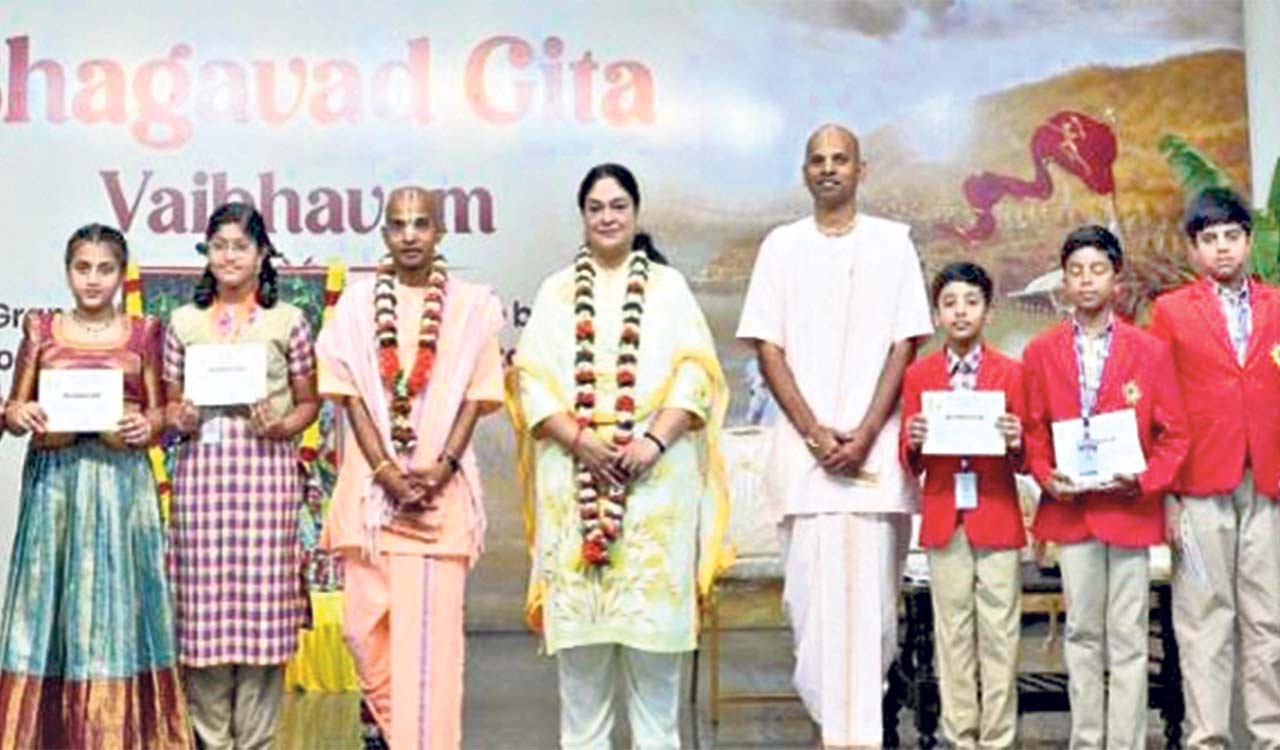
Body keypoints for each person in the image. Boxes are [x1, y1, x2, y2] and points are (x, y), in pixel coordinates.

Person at [512, 163, 729, 749]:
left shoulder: (668, 288)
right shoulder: (556, 292)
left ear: (636, 213)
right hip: (574, 485)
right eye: (596, 208)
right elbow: (530, 381)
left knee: (656, 681)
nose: (607, 217)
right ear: (582, 216)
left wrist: (652, 442)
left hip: (654, 487)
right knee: (582, 688)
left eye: (618, 206)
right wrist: (581, 440)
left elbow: (696, 375)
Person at [736, 123, 933, 749]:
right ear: (804, 173)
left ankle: (863, 740)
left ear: (860, 170)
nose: (828, 168)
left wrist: (867, 432)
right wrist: (816, 435)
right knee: (813, 621)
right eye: (817, 160)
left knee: (874, 623)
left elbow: (905, 343)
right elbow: (768, 347)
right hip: (806, 466)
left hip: (876, 467)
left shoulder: (893, 243)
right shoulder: (781, 246)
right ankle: (830, 737)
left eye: (840, 159)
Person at [315, 186, 505, 750]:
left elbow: (476, 395)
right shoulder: (357, 307)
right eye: (398, 225)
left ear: (439, 232)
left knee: (435, 652)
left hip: (440, 498)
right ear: (385, 234)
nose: (410, 235)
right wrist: (385, 471)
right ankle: (408, 737)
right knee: (361, 629)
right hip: (373, 499)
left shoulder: (471, 307)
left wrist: (442, 468)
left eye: (421, 223)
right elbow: (348, 394)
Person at [0, 224, 190, 748]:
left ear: (121, 273)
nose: (93, 279)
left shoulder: (144, 332)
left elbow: (162, 414)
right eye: (82, 267)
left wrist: (148, 425)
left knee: (120, 608)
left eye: (105, 269)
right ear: (68, 271)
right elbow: (12, 410)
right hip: (56, 488)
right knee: (46, 608)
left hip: (121, 487)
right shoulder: (41, 329)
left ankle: (118, 735)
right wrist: (19, 414)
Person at [1022, 225, 1189, 750]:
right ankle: (1087, 741)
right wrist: (1046, 475)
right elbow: (1031, 430)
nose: (1087, 280)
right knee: (1081, 633)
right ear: (1064, 283)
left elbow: (1176, 435)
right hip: (1073, 512)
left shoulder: (1149, 350)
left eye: (1097, 270)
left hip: (1130, 509)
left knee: (1129, 637)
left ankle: (1126, 743)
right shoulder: (1041, 351)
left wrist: (1145, 480)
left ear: (1117, 280)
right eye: (1076, 271)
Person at [163, 202, 319, 750]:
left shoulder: (288, 321)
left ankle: (255, 742)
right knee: (203, 617)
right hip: (202, 484)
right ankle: (211, 741)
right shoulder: (184, 322)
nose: (229, 256)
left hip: (266, 480)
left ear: (262, 254)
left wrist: (282, 425)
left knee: (262, 616)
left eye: (241, 246)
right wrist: (179, 418)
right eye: (219, 245)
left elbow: (309, 403)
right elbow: (170, 408)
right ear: (207, 253)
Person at [1149, 187, 1280, 749]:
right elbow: (1158, 404)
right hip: (1198, 484)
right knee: (1205, 619)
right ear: (1193, 249)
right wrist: (1167, 493)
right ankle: (1207, 740)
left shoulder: (1278, 305)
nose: (1222, 248)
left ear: (1248, 241)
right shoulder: (1172, 311)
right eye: (1209, 239)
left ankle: (1269, 736)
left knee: (1268, 618)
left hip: (1268, 483)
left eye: (1231, 236)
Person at [900, 261, 1026, 749]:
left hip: (997, 512)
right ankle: (960, 737)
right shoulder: (919, 375)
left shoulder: (1011, 373)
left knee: (1001, 635)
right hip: (944, 515)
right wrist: (913, 440)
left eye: (971, 302)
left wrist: (1016, 440)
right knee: (951, 634)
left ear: (987, 312)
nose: (960, 312)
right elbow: (909, 460)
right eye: (950, 303)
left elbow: (1027, 458)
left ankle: (998, 739)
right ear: (937, 314)